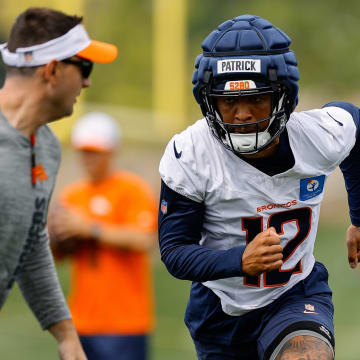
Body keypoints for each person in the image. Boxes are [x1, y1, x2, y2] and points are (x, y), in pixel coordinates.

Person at [158, 14, 360, 360]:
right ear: (210, 101)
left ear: (283, 97)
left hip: (295, 293)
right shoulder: (192, 153)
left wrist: (358, 217)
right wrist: (240, 260)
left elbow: (355, 129)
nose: (241, 114)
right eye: (228, 101)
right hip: (221, 310)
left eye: (256, 99)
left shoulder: (317, 136)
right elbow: (175, 251)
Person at [0, 7, 117, 360]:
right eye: (84, 67)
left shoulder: (46, 146)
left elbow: (32, 242)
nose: (87, 82)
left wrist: (67, 336)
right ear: (51, 70)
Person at [48, 112, 157, 360]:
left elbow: (143, 239)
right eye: (84, 151)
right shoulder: (72, 196)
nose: (88, 158)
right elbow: (59, 256)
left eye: (95, 151)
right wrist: (54, 239)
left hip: (124, 324)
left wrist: (90, 229)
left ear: (111, 151)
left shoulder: (132, 189)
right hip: (81, 321)